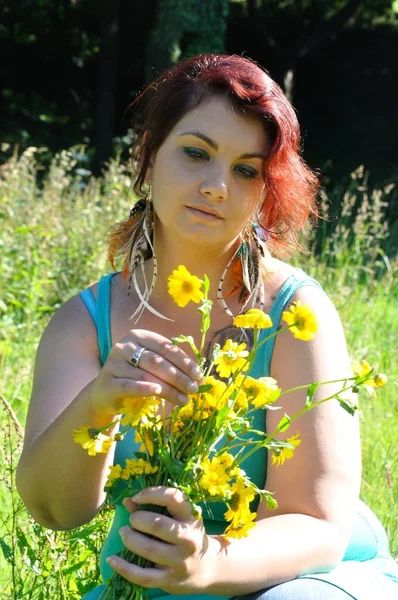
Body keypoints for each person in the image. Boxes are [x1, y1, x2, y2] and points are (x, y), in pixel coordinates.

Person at [16, 54, 398, 600]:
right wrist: (97, 405)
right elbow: (54, 509)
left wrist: (205, 566)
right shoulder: (84, 323)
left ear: (265, 189)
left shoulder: (294, 312)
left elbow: (318, 526)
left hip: (308, 580)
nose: (217, 185)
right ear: (147, 159)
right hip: (153, 582)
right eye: (196, 154)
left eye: (247, 169)